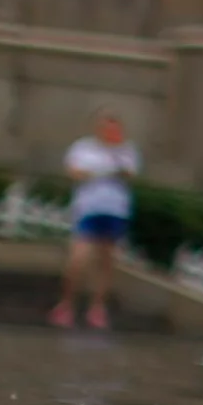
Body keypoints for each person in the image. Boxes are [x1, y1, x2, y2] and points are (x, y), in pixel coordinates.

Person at [52, 109, 140, 330]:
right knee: (78, 259)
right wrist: (98, 173)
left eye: (115, 129)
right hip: (88, 208)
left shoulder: (126, 150)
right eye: (107, 128)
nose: (111, 132)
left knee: (106, 260)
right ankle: (67, 303)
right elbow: (75, 172)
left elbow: (129, 174)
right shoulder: (83, 149)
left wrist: (115, 160)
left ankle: (97, 307)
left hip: (114, 209)